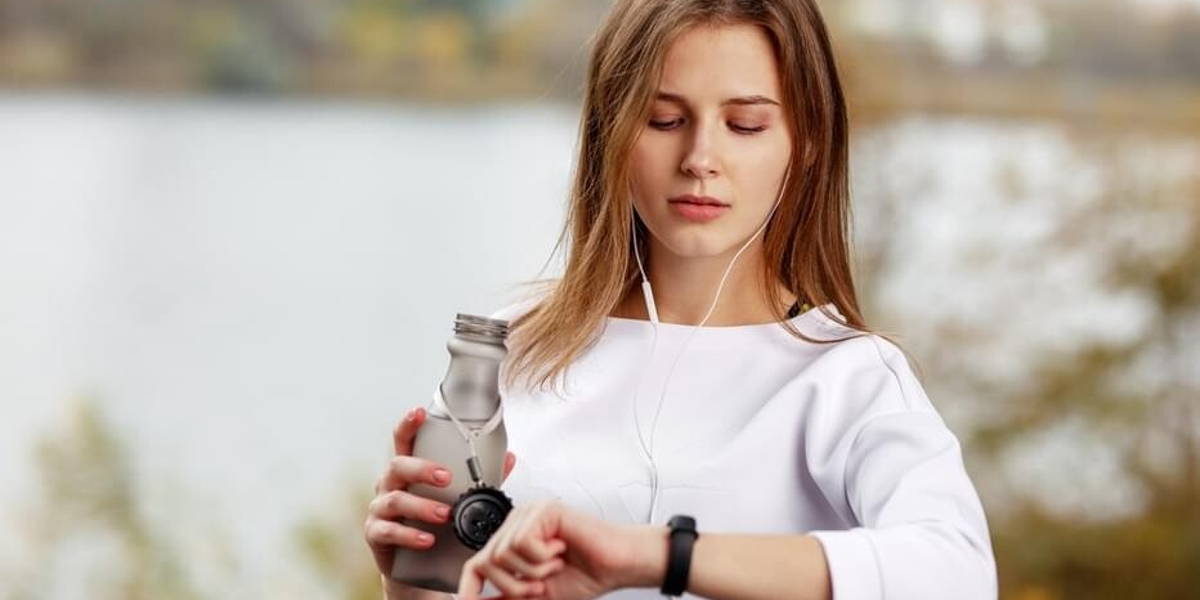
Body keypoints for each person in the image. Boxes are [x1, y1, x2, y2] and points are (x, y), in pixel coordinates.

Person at [365, 1, 997, 599]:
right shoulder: (509, 348)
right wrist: (416, 582)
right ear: (611, 132)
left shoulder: (848, 378)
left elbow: (959, 573)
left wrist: (661, 554)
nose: (700, 159)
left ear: (804, 143)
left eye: (745, 124)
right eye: (664, 120)